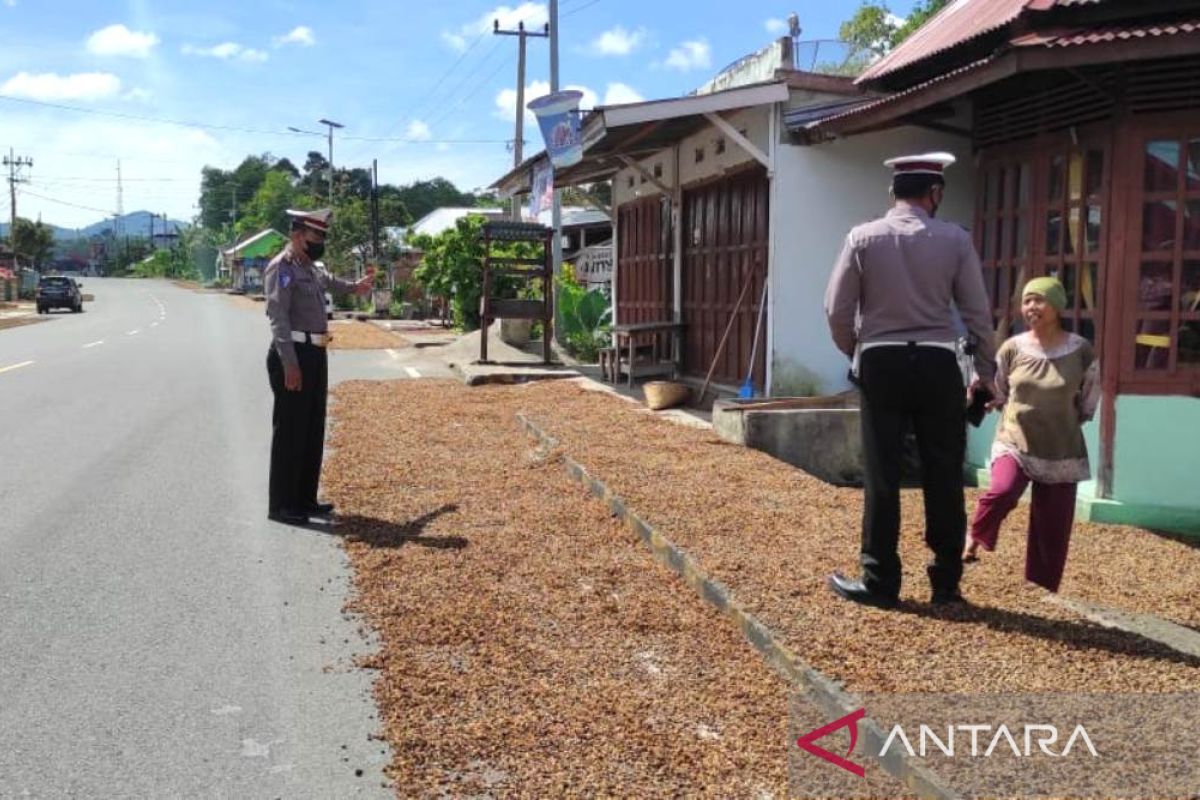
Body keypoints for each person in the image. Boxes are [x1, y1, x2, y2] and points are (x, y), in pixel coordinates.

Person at [823, 152, 996, 609]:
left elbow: (836, 310)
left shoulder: (862, 238)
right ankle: (945, 585)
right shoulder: (956, 240)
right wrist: (986, 373)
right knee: (944, 471)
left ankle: (880, 581)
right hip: (938, 364)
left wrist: (857, 350)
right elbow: (978, 315)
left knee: (883, 473)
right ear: (933, 193)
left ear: (893, 194)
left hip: (882, 363)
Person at [963, 277, 1099, 593]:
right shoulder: (1013, 347)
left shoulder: (1080, 349)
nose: (1031, 307)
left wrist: (1070, 419)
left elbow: (1091, 393)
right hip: (1015, 439)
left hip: (1061, 446)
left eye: (1040, 300)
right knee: (1003, 490)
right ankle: (976, 535)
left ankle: (1042, 585)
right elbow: (999, 387)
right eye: (1027, 301)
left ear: (1057, 306)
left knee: (1053, 525)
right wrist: (989, 398)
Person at [264, 208, 374, 525]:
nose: (321, 241)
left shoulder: (310, 268)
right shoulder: (281, 268)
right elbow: (278, 318)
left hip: (315, 354)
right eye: (317, 236)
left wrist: (358, 286)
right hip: (294, 355)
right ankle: (282, 505)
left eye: (323, 236)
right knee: (290, 432)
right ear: (297, 235)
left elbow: (334, 283)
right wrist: (290, 364)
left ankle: (305, 499)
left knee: (312, 429)